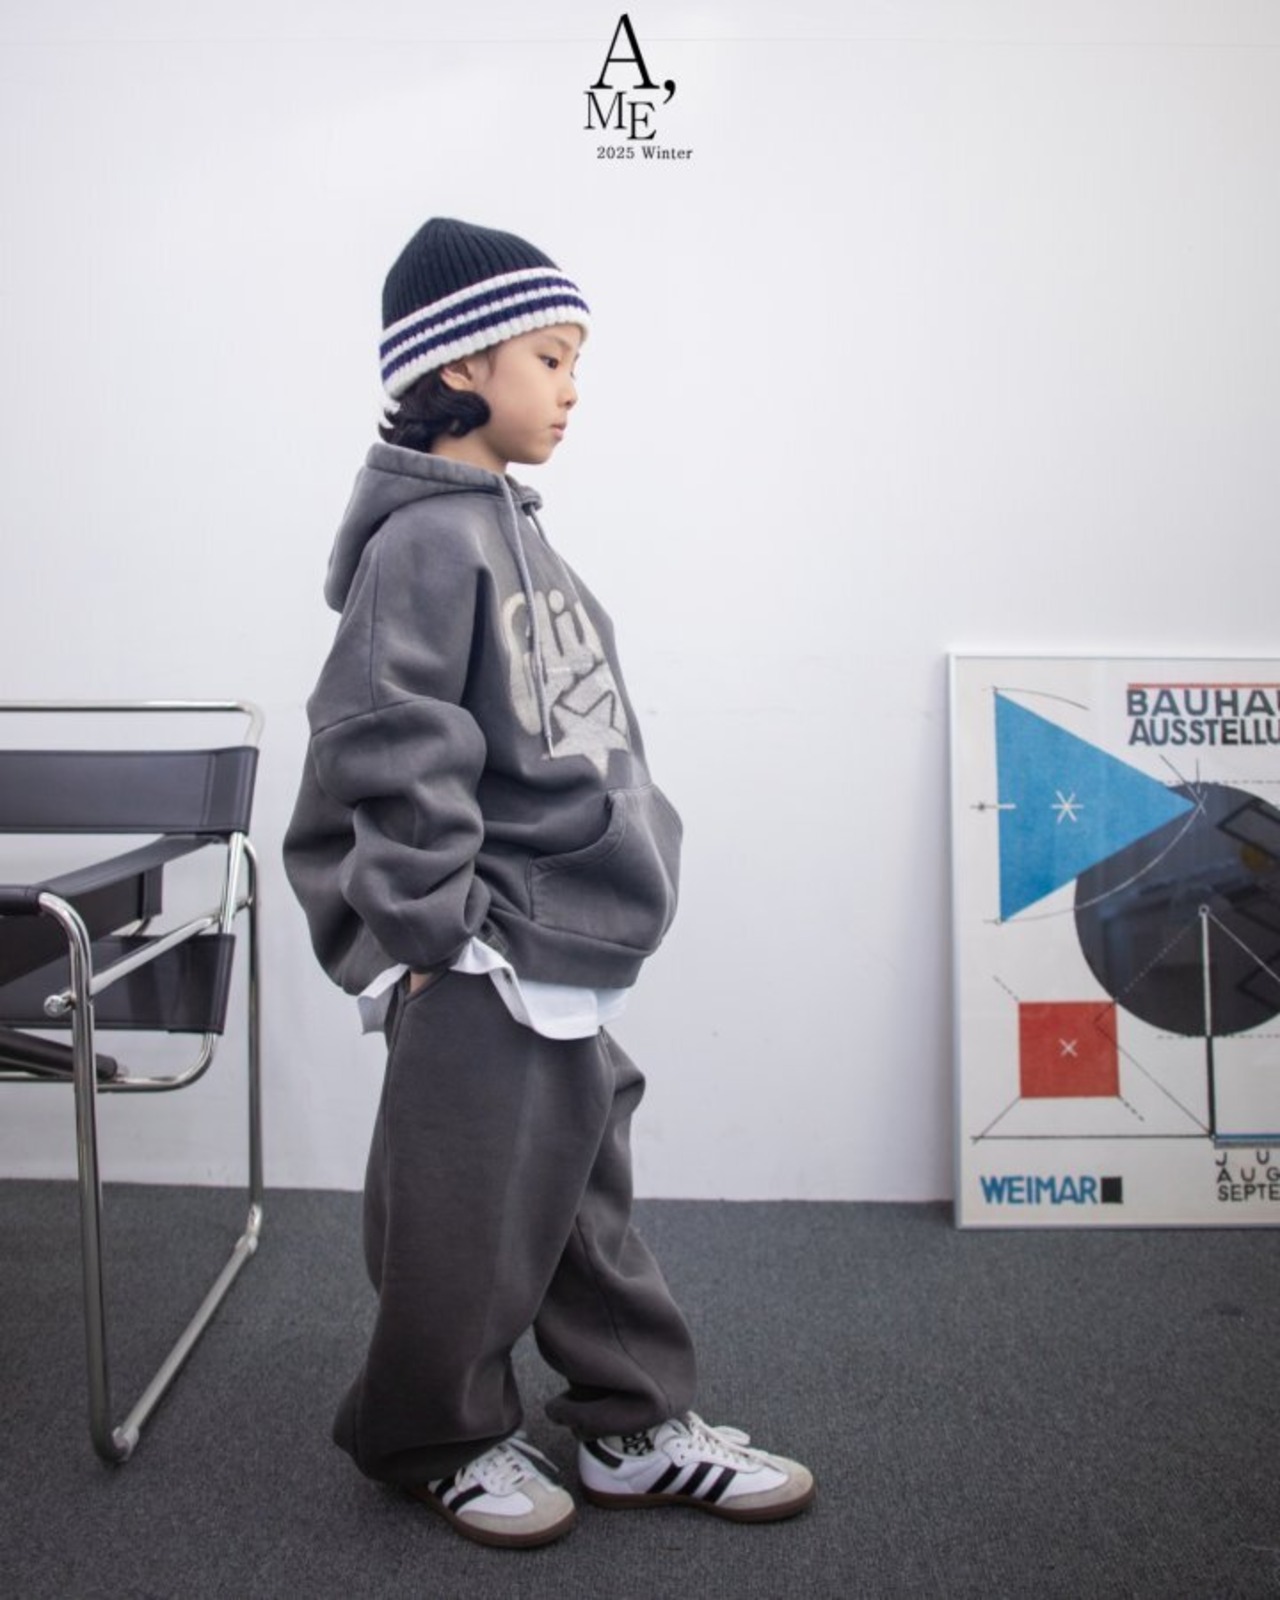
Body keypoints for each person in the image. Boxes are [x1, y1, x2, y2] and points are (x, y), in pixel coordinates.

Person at [283, 216, 815, 1549]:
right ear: (462, 366)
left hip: (558, 941)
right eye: (551, 357)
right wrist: (435, 936)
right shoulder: (425, 543)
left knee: (583, 1197)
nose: (573, 389)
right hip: (483, 949)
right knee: (462, 1216)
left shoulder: (514, 535)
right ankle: (434, 1436)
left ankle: (631, 1424)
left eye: (576, 361)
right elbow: (390, 737)